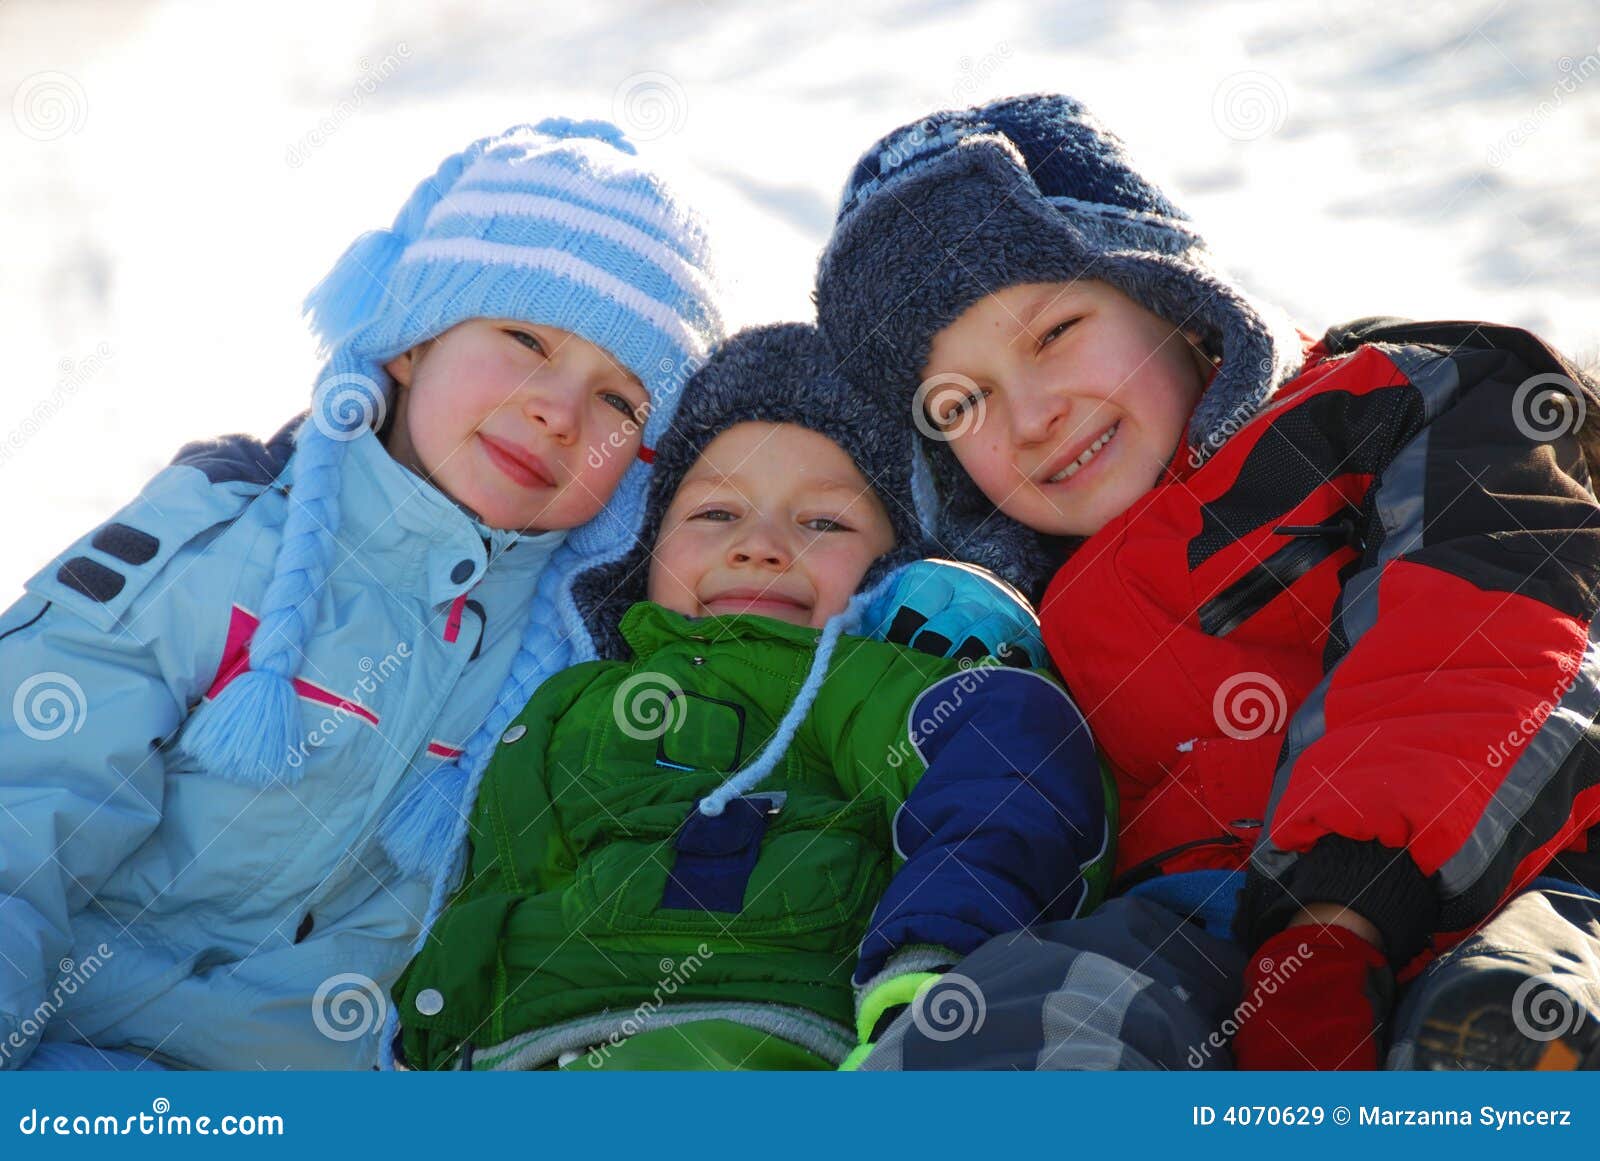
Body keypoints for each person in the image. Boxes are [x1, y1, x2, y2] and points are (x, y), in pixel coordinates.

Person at [814, 93, 1600, 1070]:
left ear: (1177, 303)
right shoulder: (1008, 627)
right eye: (960, 400)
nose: (1029, 417)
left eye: (1053, 332)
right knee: (1026, 1010)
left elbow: (1473, 628)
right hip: (1187, 936)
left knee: (1514, 1009)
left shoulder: (1386, 404)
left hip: (1511, 872)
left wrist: (1335, 919)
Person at [0, 118, 726, 1070]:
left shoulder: (564, 657)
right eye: (524, 337)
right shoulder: (221, 547)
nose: (559, 410)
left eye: (621, 401)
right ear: (408, 344)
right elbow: (27, 814)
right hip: (70, 1043)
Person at [392, 323, 1114, 1070]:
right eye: (715, 514)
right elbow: (499, 884)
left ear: (895, 570)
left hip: (771, 1041)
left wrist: (935, 969)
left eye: (823, 522)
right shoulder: (570, 702)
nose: (761, 545)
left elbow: (1009, 757)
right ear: (644, 553)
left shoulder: (858, 684)